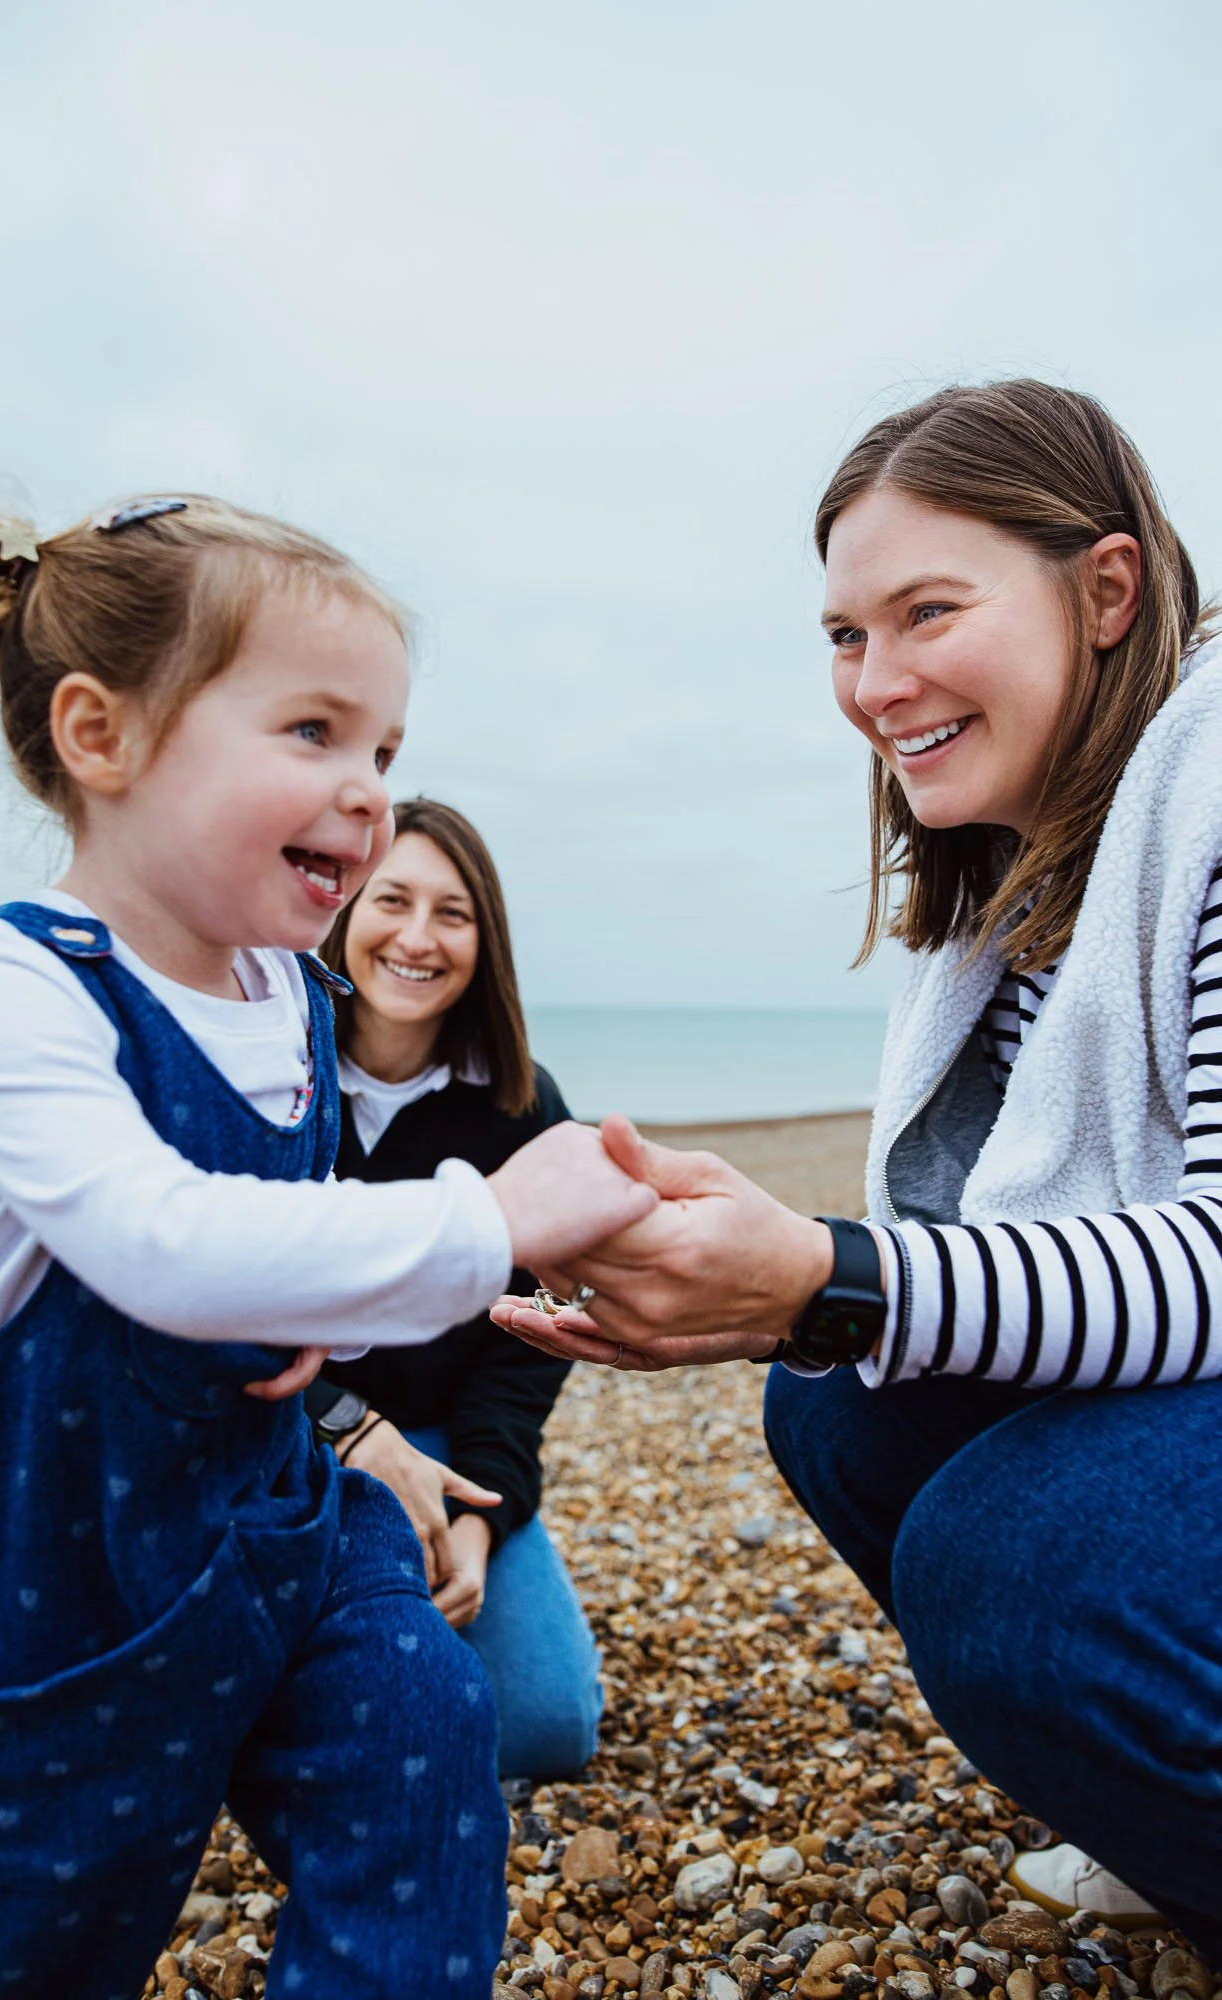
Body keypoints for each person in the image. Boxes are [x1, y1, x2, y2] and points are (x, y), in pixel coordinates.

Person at [0, 492, 656, 2000]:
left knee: (425, 1752)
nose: (366, 792)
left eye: (382, 749)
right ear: (100, 738)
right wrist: (494, 1222)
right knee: (46, 1938)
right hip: (50, 1590)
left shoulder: (284, 991)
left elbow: (272, 1275)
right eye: (311, 732)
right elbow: (157, 1243)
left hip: (281, 1530)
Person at [494, 382, 1222, 1952]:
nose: (872, 683)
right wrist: (784, 1291)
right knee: (839, 1393)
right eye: (841, 635)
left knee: (1012, 1568)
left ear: (1103, 592)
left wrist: (832, 1273)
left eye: (925, 613)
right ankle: (1156, 1806)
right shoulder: (1023, 884)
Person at [304, 796, 602, 1779]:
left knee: (548, 1725)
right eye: (394, 898)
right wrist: (345, 1422)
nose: (418, 938)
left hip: (436, 1442)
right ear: (346, 905)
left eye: (454, 912)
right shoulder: (270, 1069)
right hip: (257, 1431)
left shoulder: (524, 1106)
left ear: (487, 940)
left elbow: (527, 1348)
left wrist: (482, 1514)